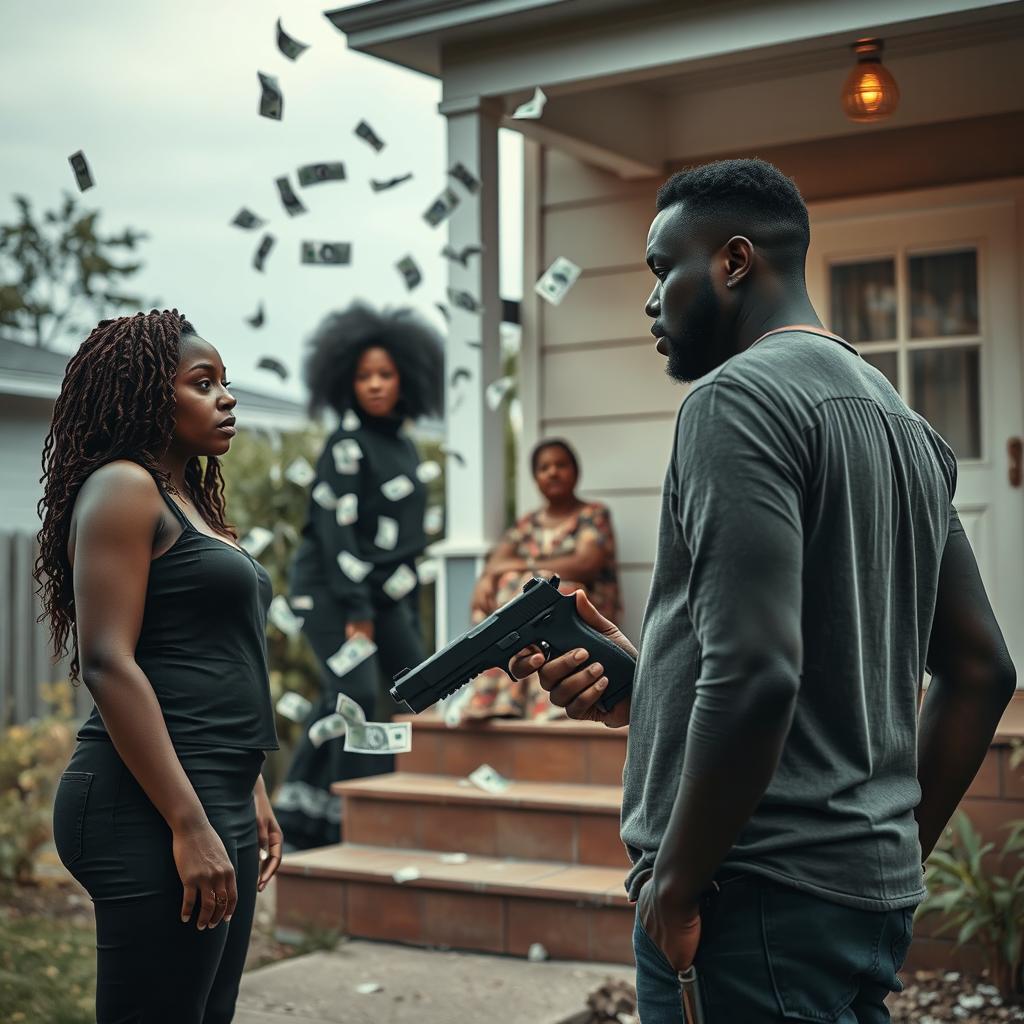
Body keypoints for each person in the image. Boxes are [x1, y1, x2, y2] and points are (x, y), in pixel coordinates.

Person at [508, 159, 1017, 1023]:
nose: (650, 299)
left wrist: (674, 885)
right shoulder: (910, 430)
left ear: (735, 261)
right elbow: (983, 672)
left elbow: (759, 674)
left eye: (662, 267)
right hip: (861, 898)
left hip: (745, 901)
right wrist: (653, 683)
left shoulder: (735, 403)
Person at [38, 310, 283, 1024]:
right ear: (148, 394)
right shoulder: (123, 486)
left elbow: (216, 654)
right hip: (146, 800)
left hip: (217, 788)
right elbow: (109, 662)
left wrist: (252, 787)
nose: (226, 398)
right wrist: (188, 820)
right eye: (202, 383)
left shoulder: (193, 502)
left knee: (208, 1013)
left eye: (225, 383)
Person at [273, 303, 444, 850]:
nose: (374, 385)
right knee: (355, 692)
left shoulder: (406, 447)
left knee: (414, 685)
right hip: (331, 590)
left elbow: (410, 540)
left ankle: (306, 812)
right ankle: (353, 820)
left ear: (405, 380)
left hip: (382, 593)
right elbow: (335, 535)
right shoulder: (344, 445)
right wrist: (358, 614)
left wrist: (396, 612)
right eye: (364, 375)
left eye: (385, 375)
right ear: (346, 381)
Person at [462, 438, 621, 721]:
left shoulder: (591, 515)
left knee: (543, 586)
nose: (553, 472)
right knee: (507, 593)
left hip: (583, 609)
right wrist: (486, 578)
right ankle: (494, 698)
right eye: (544, 468)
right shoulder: (527, 524)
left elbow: (586, 563)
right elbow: (497, 562)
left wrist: (528, 568)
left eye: (561, 465)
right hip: (537, 618)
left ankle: (547, 706)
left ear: (575, 471)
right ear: (535, 478)